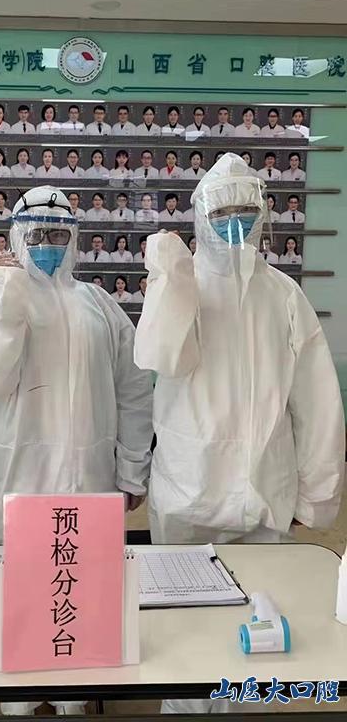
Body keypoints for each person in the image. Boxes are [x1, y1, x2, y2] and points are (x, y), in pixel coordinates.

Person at [133, 153, 344, 713]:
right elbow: (159, 355)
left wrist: (315, 496)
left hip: (264, 496)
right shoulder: (181, 287)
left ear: (263, 214)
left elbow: (317, 403)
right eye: (221, 211)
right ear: (201, 216)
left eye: (245, 210)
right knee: (182, 640)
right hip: (188, 493)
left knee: (262, 631)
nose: (234, 222)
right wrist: (170, 279)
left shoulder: (283, 295)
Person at [0, 183, 152, 540]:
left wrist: (132, 471)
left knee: (83, 572)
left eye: (58, 234)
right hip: (15, 485)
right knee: (11, 572)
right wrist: (5, 297)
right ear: (17, 237)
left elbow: (133, 391)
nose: (47, 243)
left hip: (91, 483)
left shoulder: (100, 304)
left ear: (72, 239)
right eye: (36, 234)